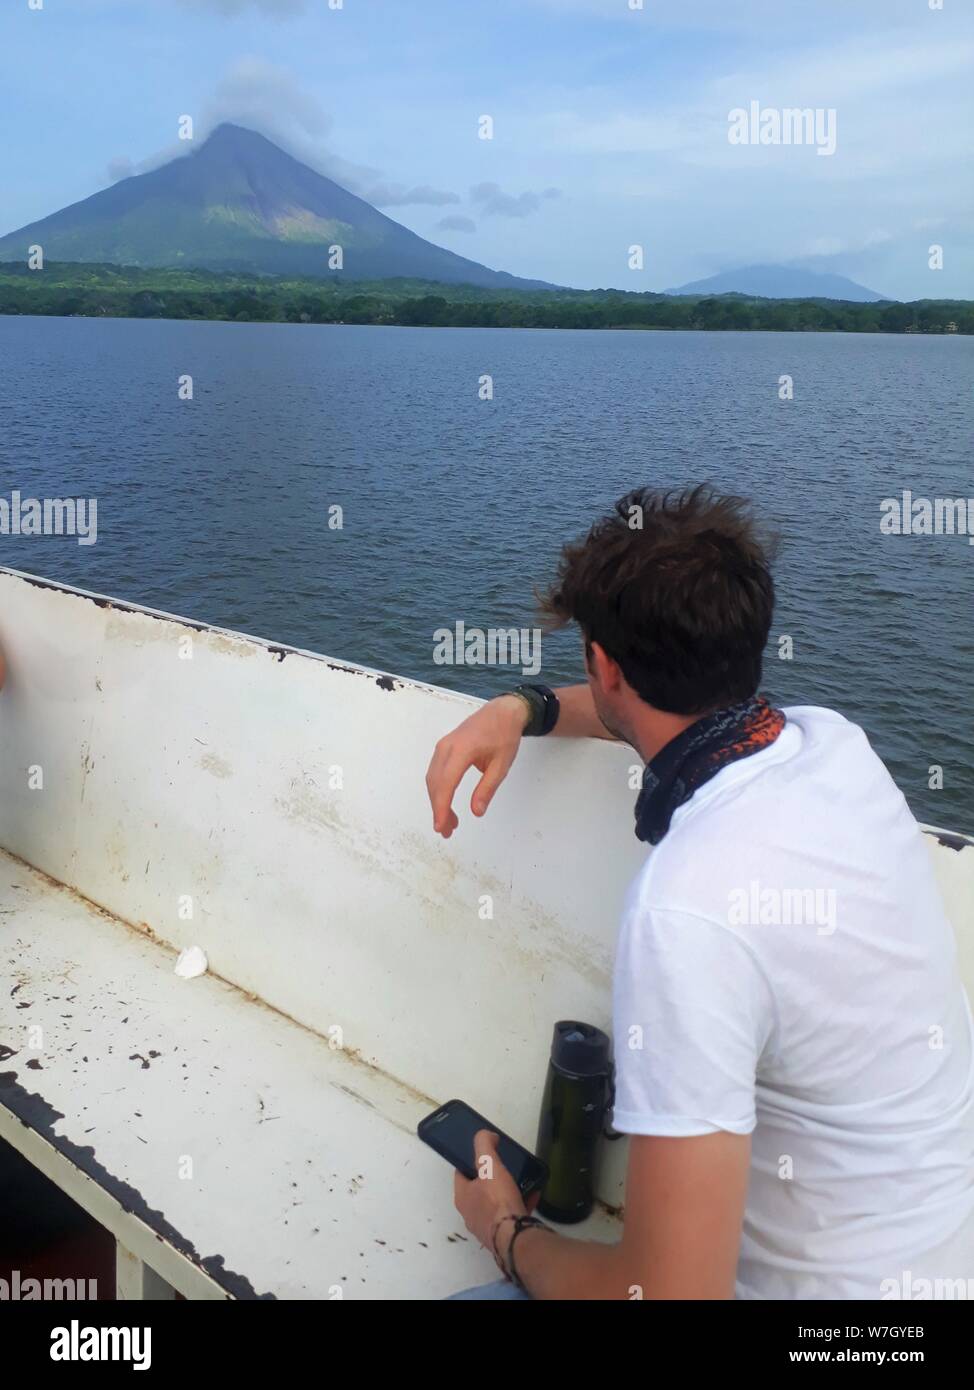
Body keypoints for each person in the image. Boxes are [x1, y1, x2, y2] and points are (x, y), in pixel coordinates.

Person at [425, 485, 974, 1300]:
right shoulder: (833, 746)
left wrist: (507, 1232)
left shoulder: (685, 909)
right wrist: (527, 707)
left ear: (605, 665)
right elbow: (650, 711)